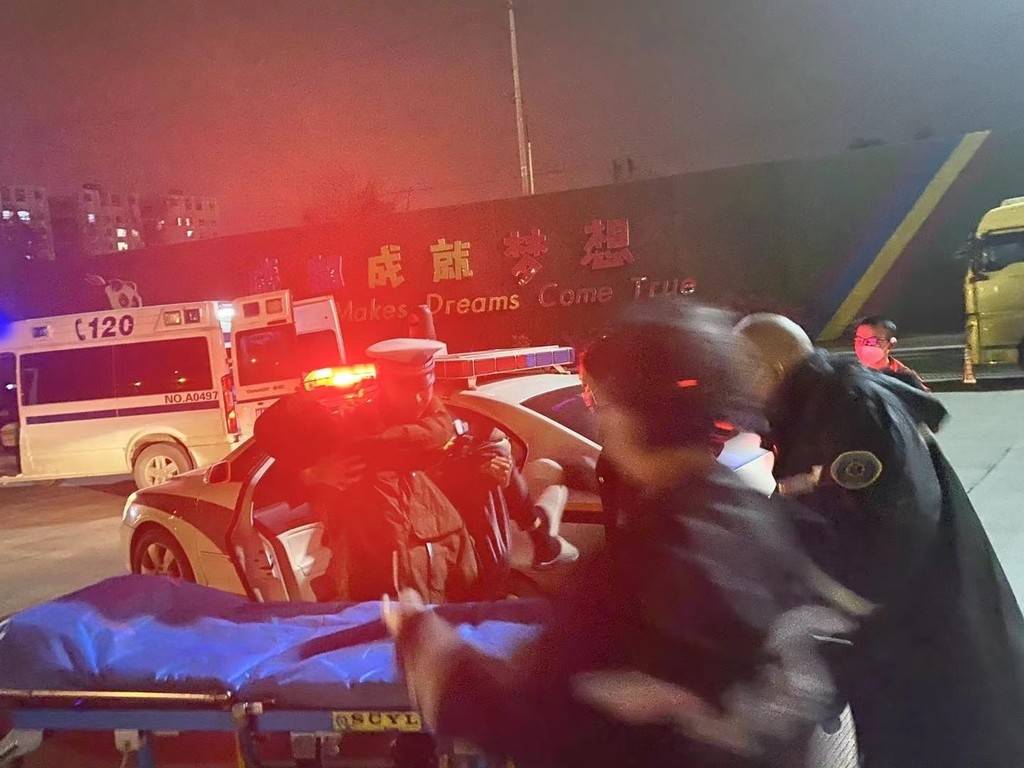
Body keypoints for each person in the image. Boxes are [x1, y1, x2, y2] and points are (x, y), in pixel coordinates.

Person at [383, 301, 843, 768]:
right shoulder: (758, 519)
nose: (599, 420)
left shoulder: (641, 570)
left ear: (629, 416)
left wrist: (429, 648)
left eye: (600, 403)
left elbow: (533, 721)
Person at [736, 312, 1024, 768]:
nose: (738, 395)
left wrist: (807, 624)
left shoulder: (849, 417)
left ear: (768, 370)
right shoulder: (830, 405)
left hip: (926, 657)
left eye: (738, 379)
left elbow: (878, 550)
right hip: (918, 652)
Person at [254, 338, 478, 603]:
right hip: (375, 590)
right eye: (406, 388)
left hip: (439, 581)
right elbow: (270, 461)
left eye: (425, 386)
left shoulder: (442, 434)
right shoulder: (346, 432)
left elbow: (458, 479)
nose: (418, 398)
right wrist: (313, 474)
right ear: (383, 383)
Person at [431, 425, 578, 599]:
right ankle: (539, 533)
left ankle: (539, 532)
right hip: (456, 566)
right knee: (491, 453)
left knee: (494, 452)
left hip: (473, 559)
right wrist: (469, 470)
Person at [853, 315, 928, 390]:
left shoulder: (904, 378)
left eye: (872, 341)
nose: (864, 346)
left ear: (891, 344)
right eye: (859, 340)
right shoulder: (850, 373)